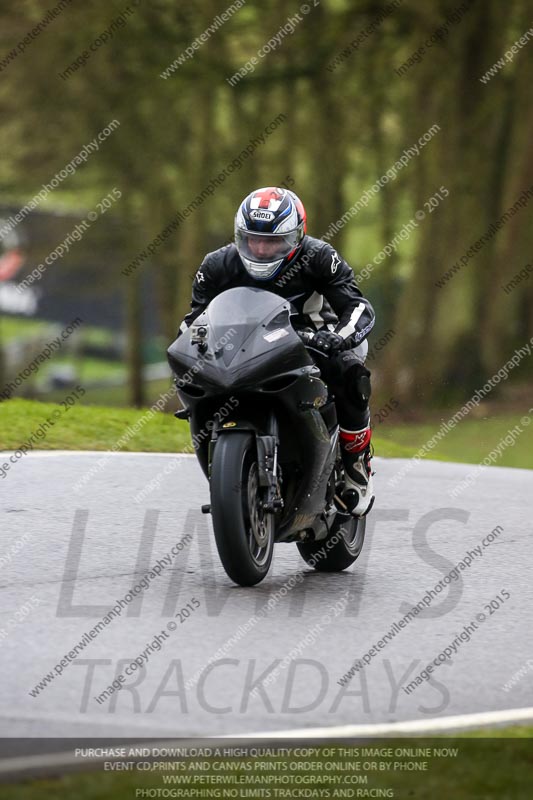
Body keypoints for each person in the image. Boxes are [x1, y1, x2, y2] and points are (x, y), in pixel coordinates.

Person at [178, 187, 376, 516]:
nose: (261, 249)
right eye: (253, 239)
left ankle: (357, 463)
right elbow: (195, 319)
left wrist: (338, 338)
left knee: (350, 371)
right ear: (239, 236)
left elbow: (357, 307)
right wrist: (189, 347)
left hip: (312, 339)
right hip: (246, 345)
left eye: (273, 242)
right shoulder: (216, 265)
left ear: (297, 237)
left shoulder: (320, 257)